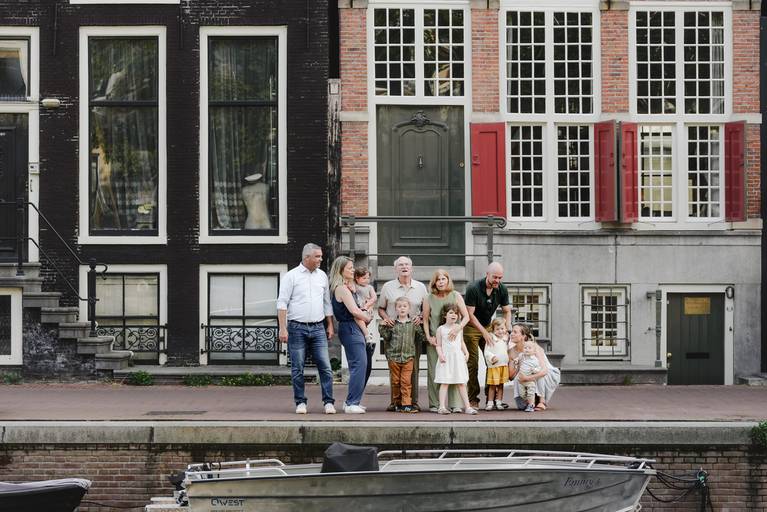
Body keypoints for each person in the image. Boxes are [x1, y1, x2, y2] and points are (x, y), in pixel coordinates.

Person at [277, 243, 336, 415]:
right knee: (297, 367)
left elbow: (327, 302)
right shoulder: (291, 276)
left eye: (321, 256)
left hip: (318, 327)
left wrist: (330, 324)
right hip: (296, 327)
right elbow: (282, 303)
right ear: (307, 257)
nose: (321, 259)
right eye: (317, 256)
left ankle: (328, 402)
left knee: (325, 366)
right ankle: (300, 402)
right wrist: (283, 328)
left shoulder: (322, 276)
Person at [378, 256, 428, 411]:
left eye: (407, 264)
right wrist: (386, 319)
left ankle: (412, 402)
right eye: (400, 265)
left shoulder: (420, 287)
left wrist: (420, 318)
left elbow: (426, 310)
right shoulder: (388, 286)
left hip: (412, 333)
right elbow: (380, 308)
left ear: (411, 268)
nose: (404, 267)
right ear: (396, 269)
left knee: (413, 370)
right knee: (395, 373)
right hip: (393, 334)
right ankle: (395, 402)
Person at [463, 262, 512, 409]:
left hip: (488, 327)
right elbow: (470, 315)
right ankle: (473, 399)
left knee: (493, 362)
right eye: (495, 277)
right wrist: (484, 332)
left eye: (500, 277)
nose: (497, 280)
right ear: (487, 274)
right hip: (471, 327)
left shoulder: (502, 289)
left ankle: (492, 399)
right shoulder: (473, 288)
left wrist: (507, 328)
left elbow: (507, 311)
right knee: (473, 364)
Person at [329, 256, 372, 414]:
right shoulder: (341, 288)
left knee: (365, 365)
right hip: (349, 328)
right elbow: (354, 311)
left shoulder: (349, 288)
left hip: (355, 327)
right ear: (341, 270)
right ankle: (351, 403)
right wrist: (367, 317)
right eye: (350, 268)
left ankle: (354, 401)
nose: (353, 270)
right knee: (359, 365)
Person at [421, 269, 469, 413]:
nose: (441, 282)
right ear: (434, 282)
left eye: (443, 279)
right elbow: (425, 320)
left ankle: (455, 405)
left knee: (455, 371)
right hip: (437, 341)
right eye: (438, 280)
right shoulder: (428, 298)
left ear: (448, 280)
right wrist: (428, 336)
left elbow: (466, 316)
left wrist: (458, 328)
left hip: (454, 341)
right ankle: (436, 405)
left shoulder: (455, 295)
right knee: (435, 372)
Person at [435, 304, 477, 415]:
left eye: (456, 313)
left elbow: (461, 342)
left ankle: (467, 407)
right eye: (451, 313)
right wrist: (440, 355)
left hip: (458, 359)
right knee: (445, 383)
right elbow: (438, 345)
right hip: (446, 359)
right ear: (445, 315)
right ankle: (442, 407)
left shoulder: (459, 327)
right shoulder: (441, 329)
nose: (454, 315)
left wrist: (466, 352)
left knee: (461, 383)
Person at [379, 297, 419, 413]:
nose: (402, 308)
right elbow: (386, 337)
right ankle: (396, 403)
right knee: (395, 382)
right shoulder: (392, 324)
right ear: (395, 309)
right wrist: (382, 326)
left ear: (409, 308)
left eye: (405, 306)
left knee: (406, 382)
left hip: (408, 358)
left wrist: (422, 324)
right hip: (394, 357)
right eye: (399, 306)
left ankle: (406, 405)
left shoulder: (413, 324)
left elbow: (421, 337)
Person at [508, 323, 561, 411]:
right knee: (521, 406)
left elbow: (544, 371)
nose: (511, 334)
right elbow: (511, 376)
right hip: (526, 377)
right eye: (511, 331)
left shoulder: (534, 347)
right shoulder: (511, 352)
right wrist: (519, 365)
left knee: (537, 371)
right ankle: (529, 400)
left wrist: (527, 378)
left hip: (547, 375)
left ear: (523, 336)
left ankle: (542, 401)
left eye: (515, 332)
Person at [352, 266, 377, 385]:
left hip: (366, 308)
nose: (366, 280)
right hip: (358, 308)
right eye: (364, 278)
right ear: (356, 278)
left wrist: (368, 306)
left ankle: (367, 333)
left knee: (362, 317)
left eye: (368, 278)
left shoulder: (370, 287)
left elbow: (374, 298)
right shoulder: (354, 286)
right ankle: (366, 334)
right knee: (358, 317)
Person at [484, 318, 510, 411]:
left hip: (503, 365)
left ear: (505, 329)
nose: (500, 331)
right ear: (493, 329)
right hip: (494, 366)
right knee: (492, 385)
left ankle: (499, 402)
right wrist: (492, 357)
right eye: (498, 329)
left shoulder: (505, 338)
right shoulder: (491, 338)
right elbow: (486, 351)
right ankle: (490, 403)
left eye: (502, 329)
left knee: (501, 385)